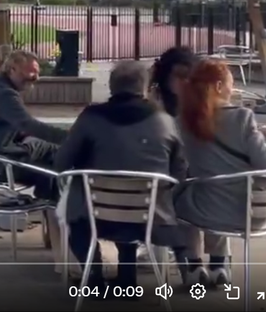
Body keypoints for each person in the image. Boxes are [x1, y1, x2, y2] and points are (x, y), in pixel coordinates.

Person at [55, 61, 187, 287]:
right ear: (144, 88)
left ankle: (94, 277)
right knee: (135, 197)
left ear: (111, 86)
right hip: (152, 219)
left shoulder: (90, 118)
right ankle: (127, 278)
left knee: (75, 206)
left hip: (96, 219)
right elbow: (180, 171)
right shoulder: (164, 121)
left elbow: (61, 163)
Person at [172, 58, 266, 287]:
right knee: (218, 190)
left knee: (181, 199)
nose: (232, 89)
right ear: (217, 86)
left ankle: (193, 266)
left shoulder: (183, 121)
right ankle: (219, 265)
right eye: (230, 84)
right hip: (250, 214)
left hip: (205, 210)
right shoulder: (242, 117)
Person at [0, 49, 68, 198]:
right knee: (54, 167)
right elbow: (29, 126)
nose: (36, 78)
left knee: (52, 151)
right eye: (31, 73)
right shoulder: (5, 95)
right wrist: (69, 137)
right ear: (13, 69)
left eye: (37, 73)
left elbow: (17, 127)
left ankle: (51, 209)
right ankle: (51, 211)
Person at [151, 46, 197, 117]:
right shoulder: (152, 109)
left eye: (191, 76)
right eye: (180, 75)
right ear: (165, 75)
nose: (186, 81)